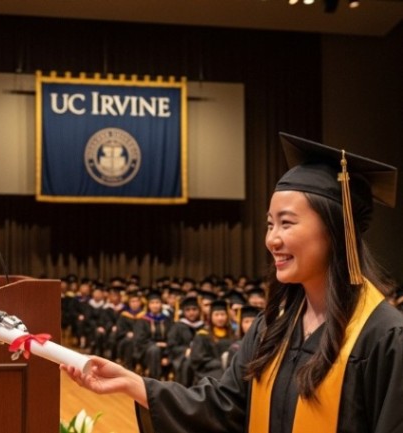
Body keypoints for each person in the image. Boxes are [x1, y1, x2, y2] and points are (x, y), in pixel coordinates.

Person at [62, 133, 403, 433]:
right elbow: (225, 408)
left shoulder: (383, 337)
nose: (272, 239)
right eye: (270, 224)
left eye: (287, 223)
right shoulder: (273, 326)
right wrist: (134, 383)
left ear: (335, 231)